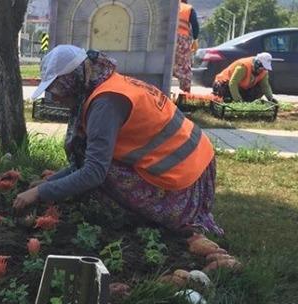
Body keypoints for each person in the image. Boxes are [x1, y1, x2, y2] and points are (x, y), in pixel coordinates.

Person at [14, 45, 222, 236]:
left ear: (73, 81)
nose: (56, 98)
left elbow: (93, 172)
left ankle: (163, 218)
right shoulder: (104, 84)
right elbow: (84, 161)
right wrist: (50, 182)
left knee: (105, 173)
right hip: (192, 160)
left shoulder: (105, 104)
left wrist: (40, 193)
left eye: (57, 90)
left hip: (184, 178)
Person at [212, 53, 277, 103]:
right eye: (262, 67)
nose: (263, 70)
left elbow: (265, 86)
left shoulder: (264, 71)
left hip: (240, 88)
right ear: (257, 64)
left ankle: (244, 101)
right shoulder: (243, 67)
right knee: (228, 98)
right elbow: (233, 83)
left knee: (258, 89)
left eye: (265, 68)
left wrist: (271, 99)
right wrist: (238, 101)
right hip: (223, 84)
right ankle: (233, 101)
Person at [173, 0, 200, 93]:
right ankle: (185, 95)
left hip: (166, 39)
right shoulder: (188, 8)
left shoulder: (169, 6)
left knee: (166, 65)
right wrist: (195, 39)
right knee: (184, 68)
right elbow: (195, 25)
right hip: (182, 41)